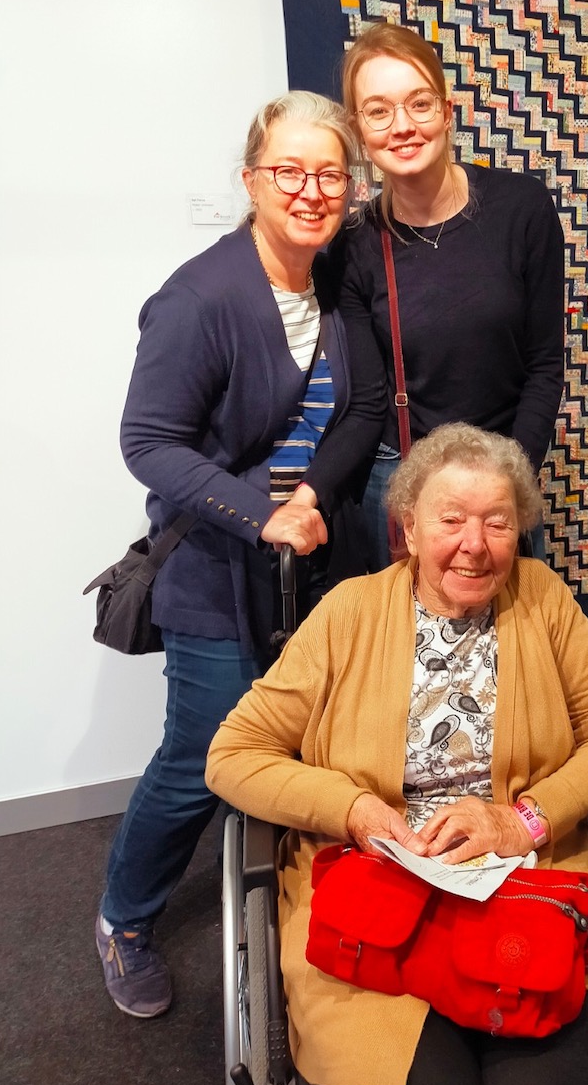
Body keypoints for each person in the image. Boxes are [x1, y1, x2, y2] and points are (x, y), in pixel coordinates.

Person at [206, 423, 588, 1085]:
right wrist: (352, 809)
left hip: (523, 891)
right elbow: (234, 754)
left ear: (518, 532)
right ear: (410, 530)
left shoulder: (542, 599)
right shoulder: (348, 613)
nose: (474, 544)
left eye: (497, 522)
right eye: (451, 520)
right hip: (376, 893)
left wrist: (520, 819)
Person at [95, 91, 384, 1019]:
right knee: (203, 756)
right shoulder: (200, 299)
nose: (310, 191)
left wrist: (311, 495)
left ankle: (294, 887)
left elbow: (367, 410)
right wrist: (258, 513)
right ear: (252, 179)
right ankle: (122, 919)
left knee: (308, 737)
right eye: (287, 171)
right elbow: (148, 441)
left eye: (329, 173)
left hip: (311, 562)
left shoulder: (335, 278)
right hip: (217, 571)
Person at [327, 21, 565, 569]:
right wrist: (311, 494)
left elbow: (544, 366)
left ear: (448, 111)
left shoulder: (521, 209)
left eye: (419, 104)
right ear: (360, 132)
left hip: (503, 465)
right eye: (379, 111)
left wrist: (509, 481)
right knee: (402, 650)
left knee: (510, 648)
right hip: (402, 475)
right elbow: (366, 403)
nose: (402, 126)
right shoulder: (359, 246)